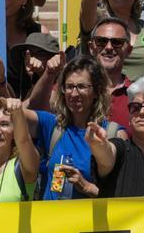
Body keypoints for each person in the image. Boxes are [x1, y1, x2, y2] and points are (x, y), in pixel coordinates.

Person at [28, 56, 121, 201]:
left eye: (82, 87)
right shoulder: (53, 126)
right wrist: (48, 73)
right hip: (51, 221)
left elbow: (121, 196)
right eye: (69, 87)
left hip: (88, 222)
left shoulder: (112, 133)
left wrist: (86, 187)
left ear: (97, 91)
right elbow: (15, 115)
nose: (74, 93)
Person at [89, 17, 135, 130]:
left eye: (117, 42)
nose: (109, 47)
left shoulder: (138, 95)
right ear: (91, 47)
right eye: (101, 41)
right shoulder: (73, 90)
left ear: (128, 50)